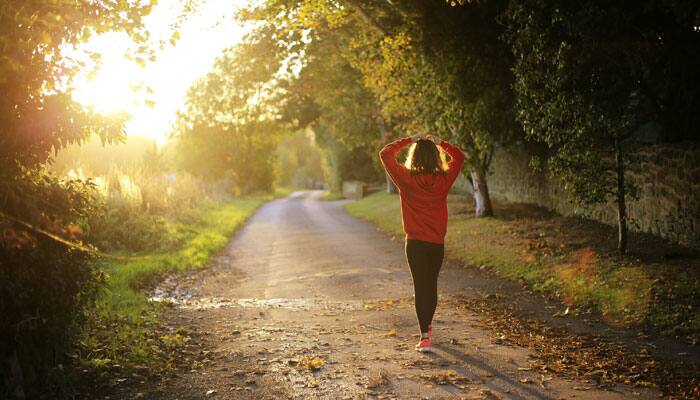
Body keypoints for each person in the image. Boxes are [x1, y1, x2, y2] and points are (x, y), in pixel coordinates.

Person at [379, 133, 465, 353]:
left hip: (415, 243)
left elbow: (385, 153)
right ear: (436, 157)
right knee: (431, 285)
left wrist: (409, 139)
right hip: (436, 243)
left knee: (421, 286)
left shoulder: (406, 179)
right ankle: (428, 326)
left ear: (414, 156)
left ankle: (424, 336)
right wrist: (440, 143)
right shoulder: (443, 180)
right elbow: (459, 157)